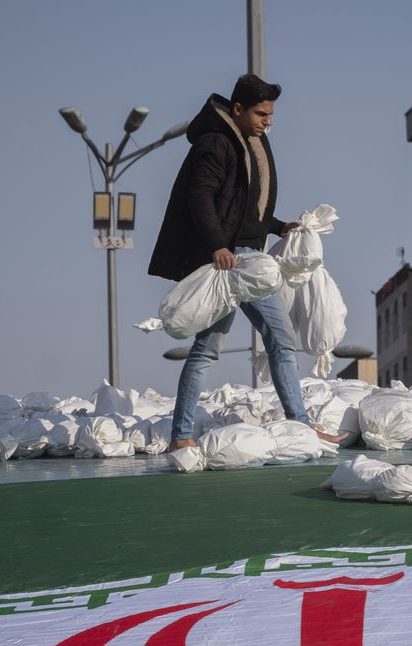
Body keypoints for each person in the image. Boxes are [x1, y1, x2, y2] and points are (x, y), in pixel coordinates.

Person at [149, 74, 344, 452]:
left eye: (270, 114)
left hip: (250, 261)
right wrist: (218, 246)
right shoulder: (216, 143)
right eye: (260, 113)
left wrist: (278, 225)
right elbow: (201, 196)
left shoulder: (254, 142)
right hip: (226, 263)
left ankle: (301, 428)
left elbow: (246, 209)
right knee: (208, 348)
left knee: (280, 339)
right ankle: (181, 437)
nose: (267, 121)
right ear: (237, 109)